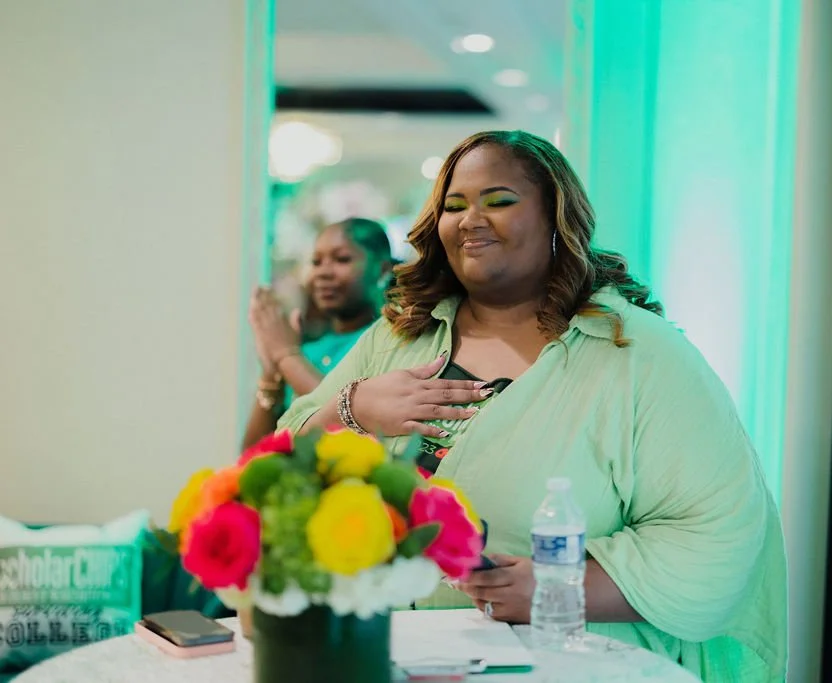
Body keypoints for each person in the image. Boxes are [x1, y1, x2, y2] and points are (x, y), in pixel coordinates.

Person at [278, 131, 787, 681]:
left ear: (555, 218)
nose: (471, 219)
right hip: (395, 657)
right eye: (454, 205)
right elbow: (278, 474)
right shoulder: (399, 336)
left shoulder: (638, 354)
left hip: (565, 664)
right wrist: (350, 407)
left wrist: (555, 587)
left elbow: (715, 539)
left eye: (498, 201)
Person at [242, 218, 393, 449]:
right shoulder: (307, 351)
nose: (323, 272)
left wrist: (285, 355)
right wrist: (271, 373)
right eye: (316, 262)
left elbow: (349, 422)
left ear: (382, 269)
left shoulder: (392, 341)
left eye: (342, 259)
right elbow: (252, 456)